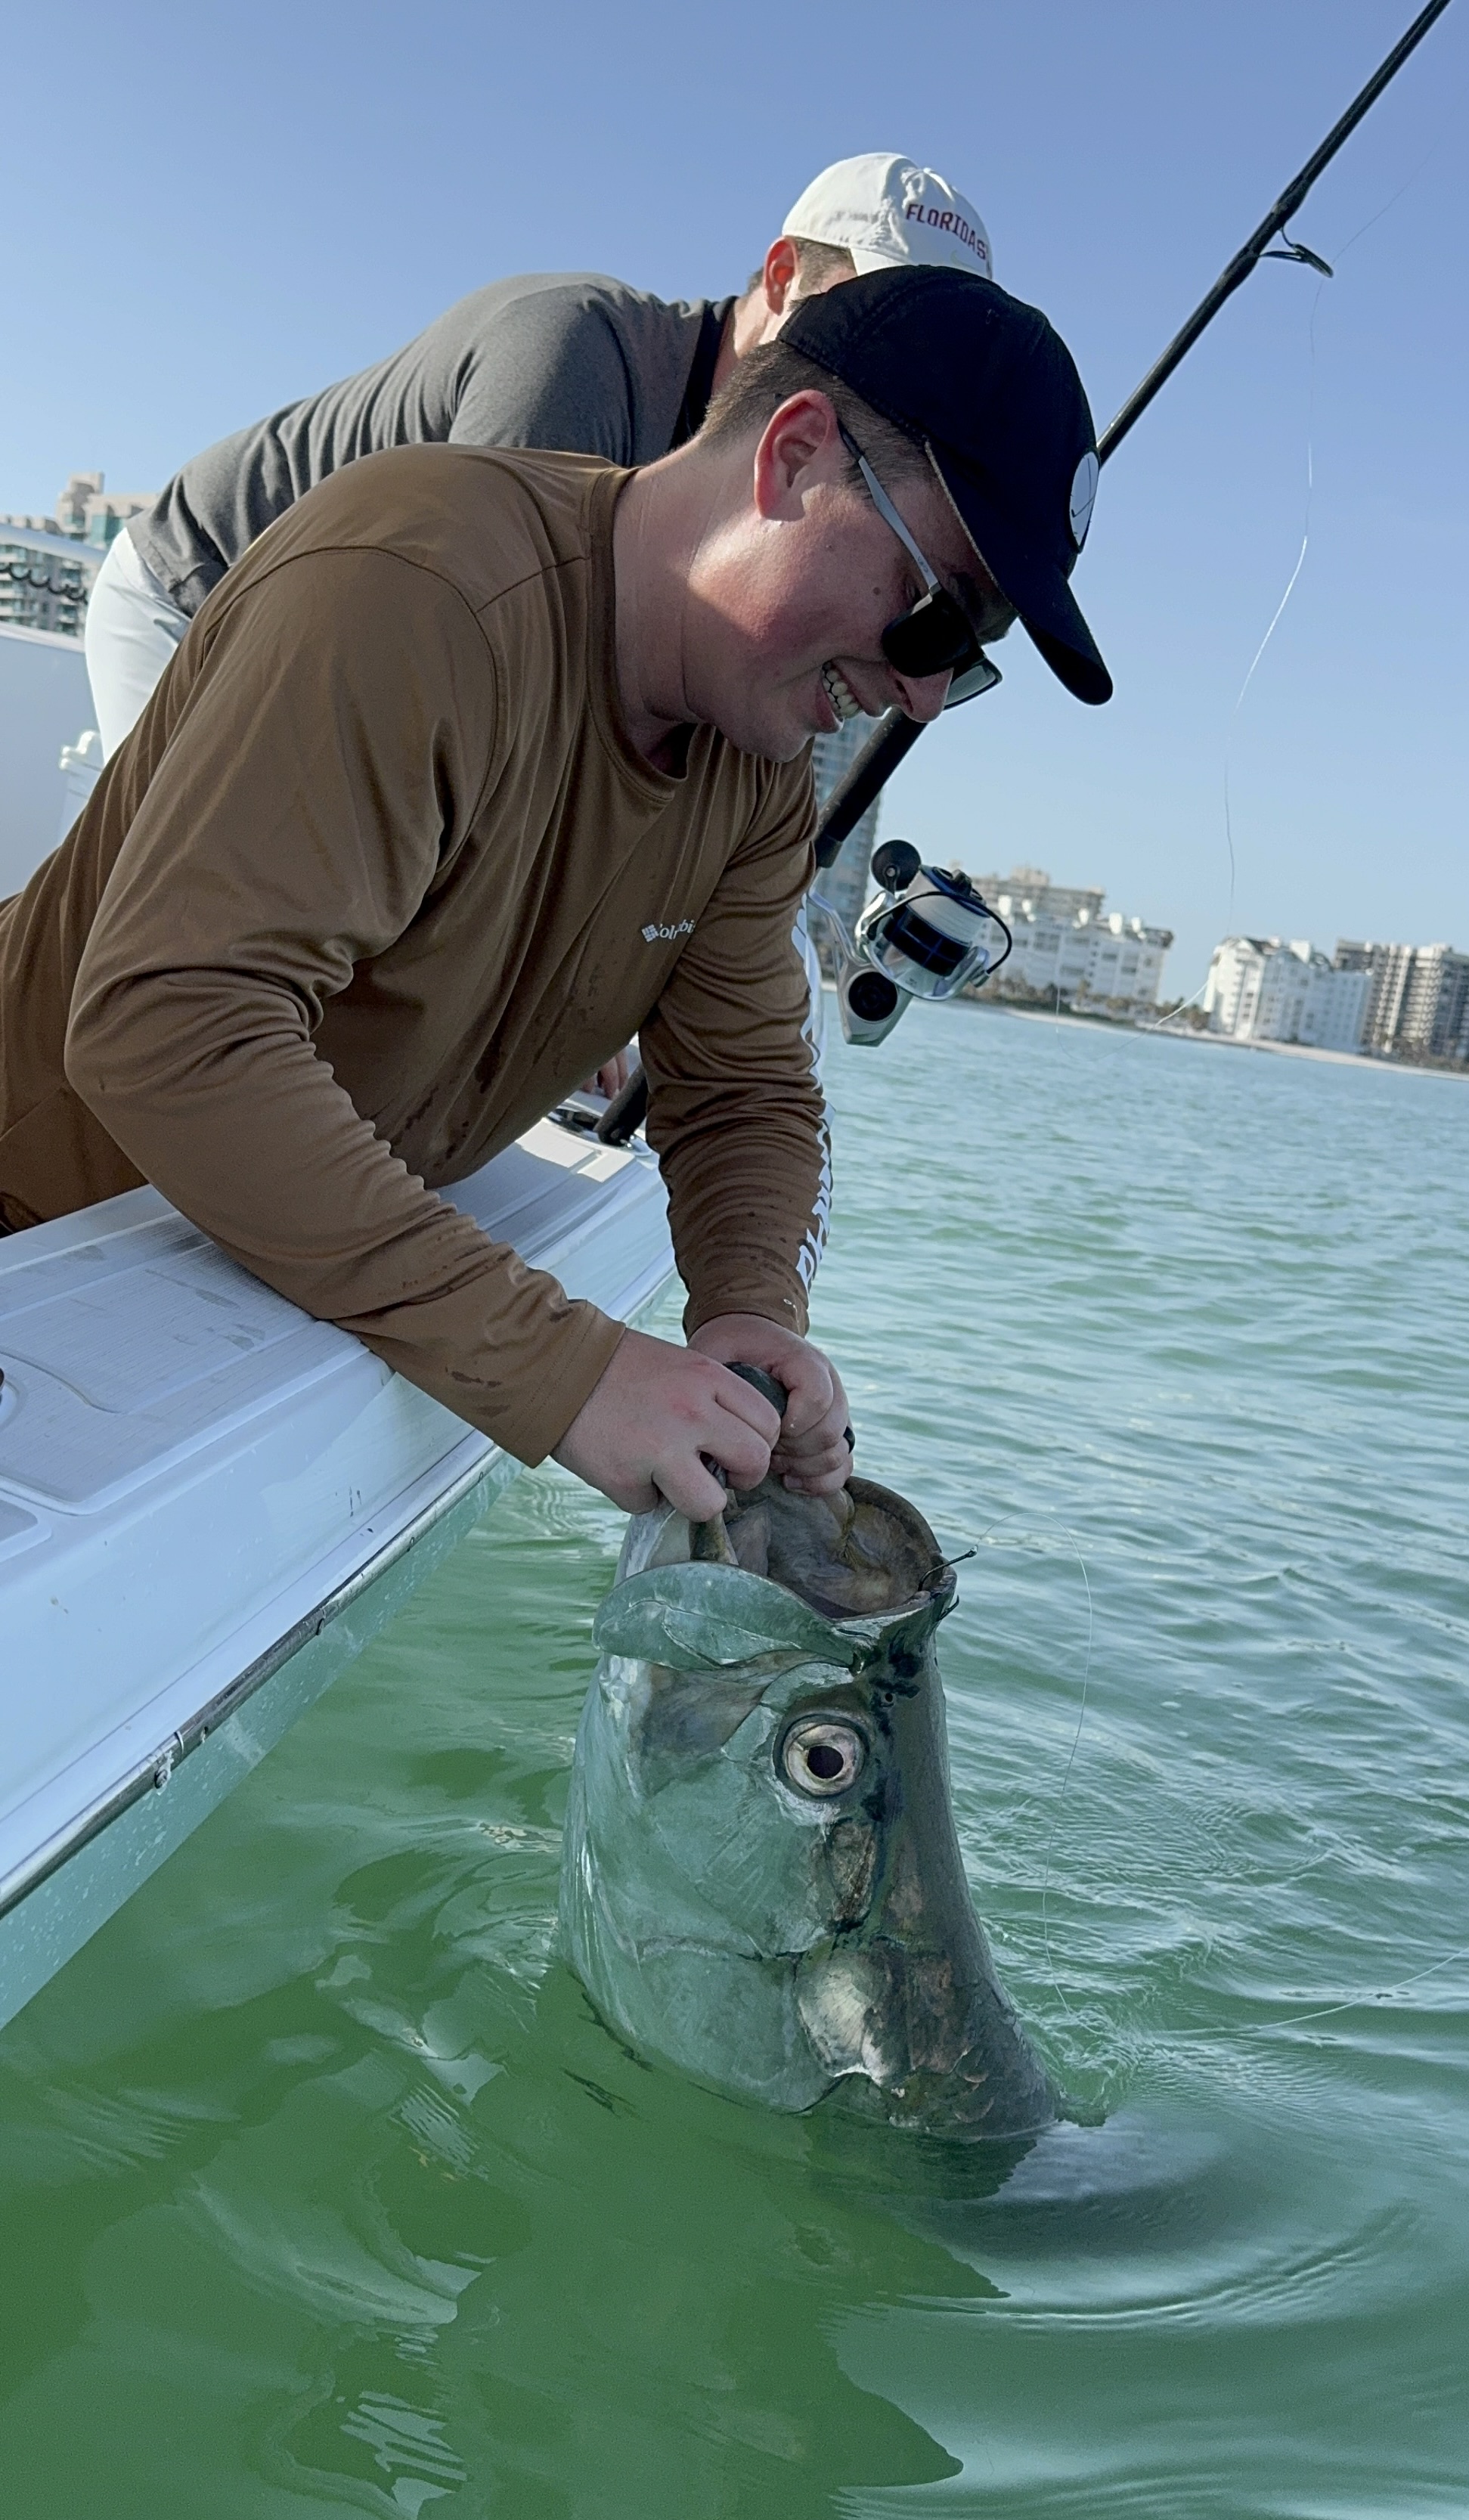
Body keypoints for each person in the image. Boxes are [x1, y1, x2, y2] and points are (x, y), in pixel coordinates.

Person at [0, 268, 1110, 1526]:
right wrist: (563, 1369)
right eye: (936, 619)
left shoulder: (757, 779)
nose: (921, 694)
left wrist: (753, 1309)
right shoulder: (418, 590)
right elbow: (170, 1028)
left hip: (225, 1289)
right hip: (43, 1241)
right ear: (795, 457)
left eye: (967, 665)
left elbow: (746, 1092)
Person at [83, 153, 996, 761]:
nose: (891, 380)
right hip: (200, 596)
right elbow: (467, 671)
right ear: (784, 276)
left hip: (353, 648)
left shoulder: (771, 475)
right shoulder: (574, 359)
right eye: (870, 323)